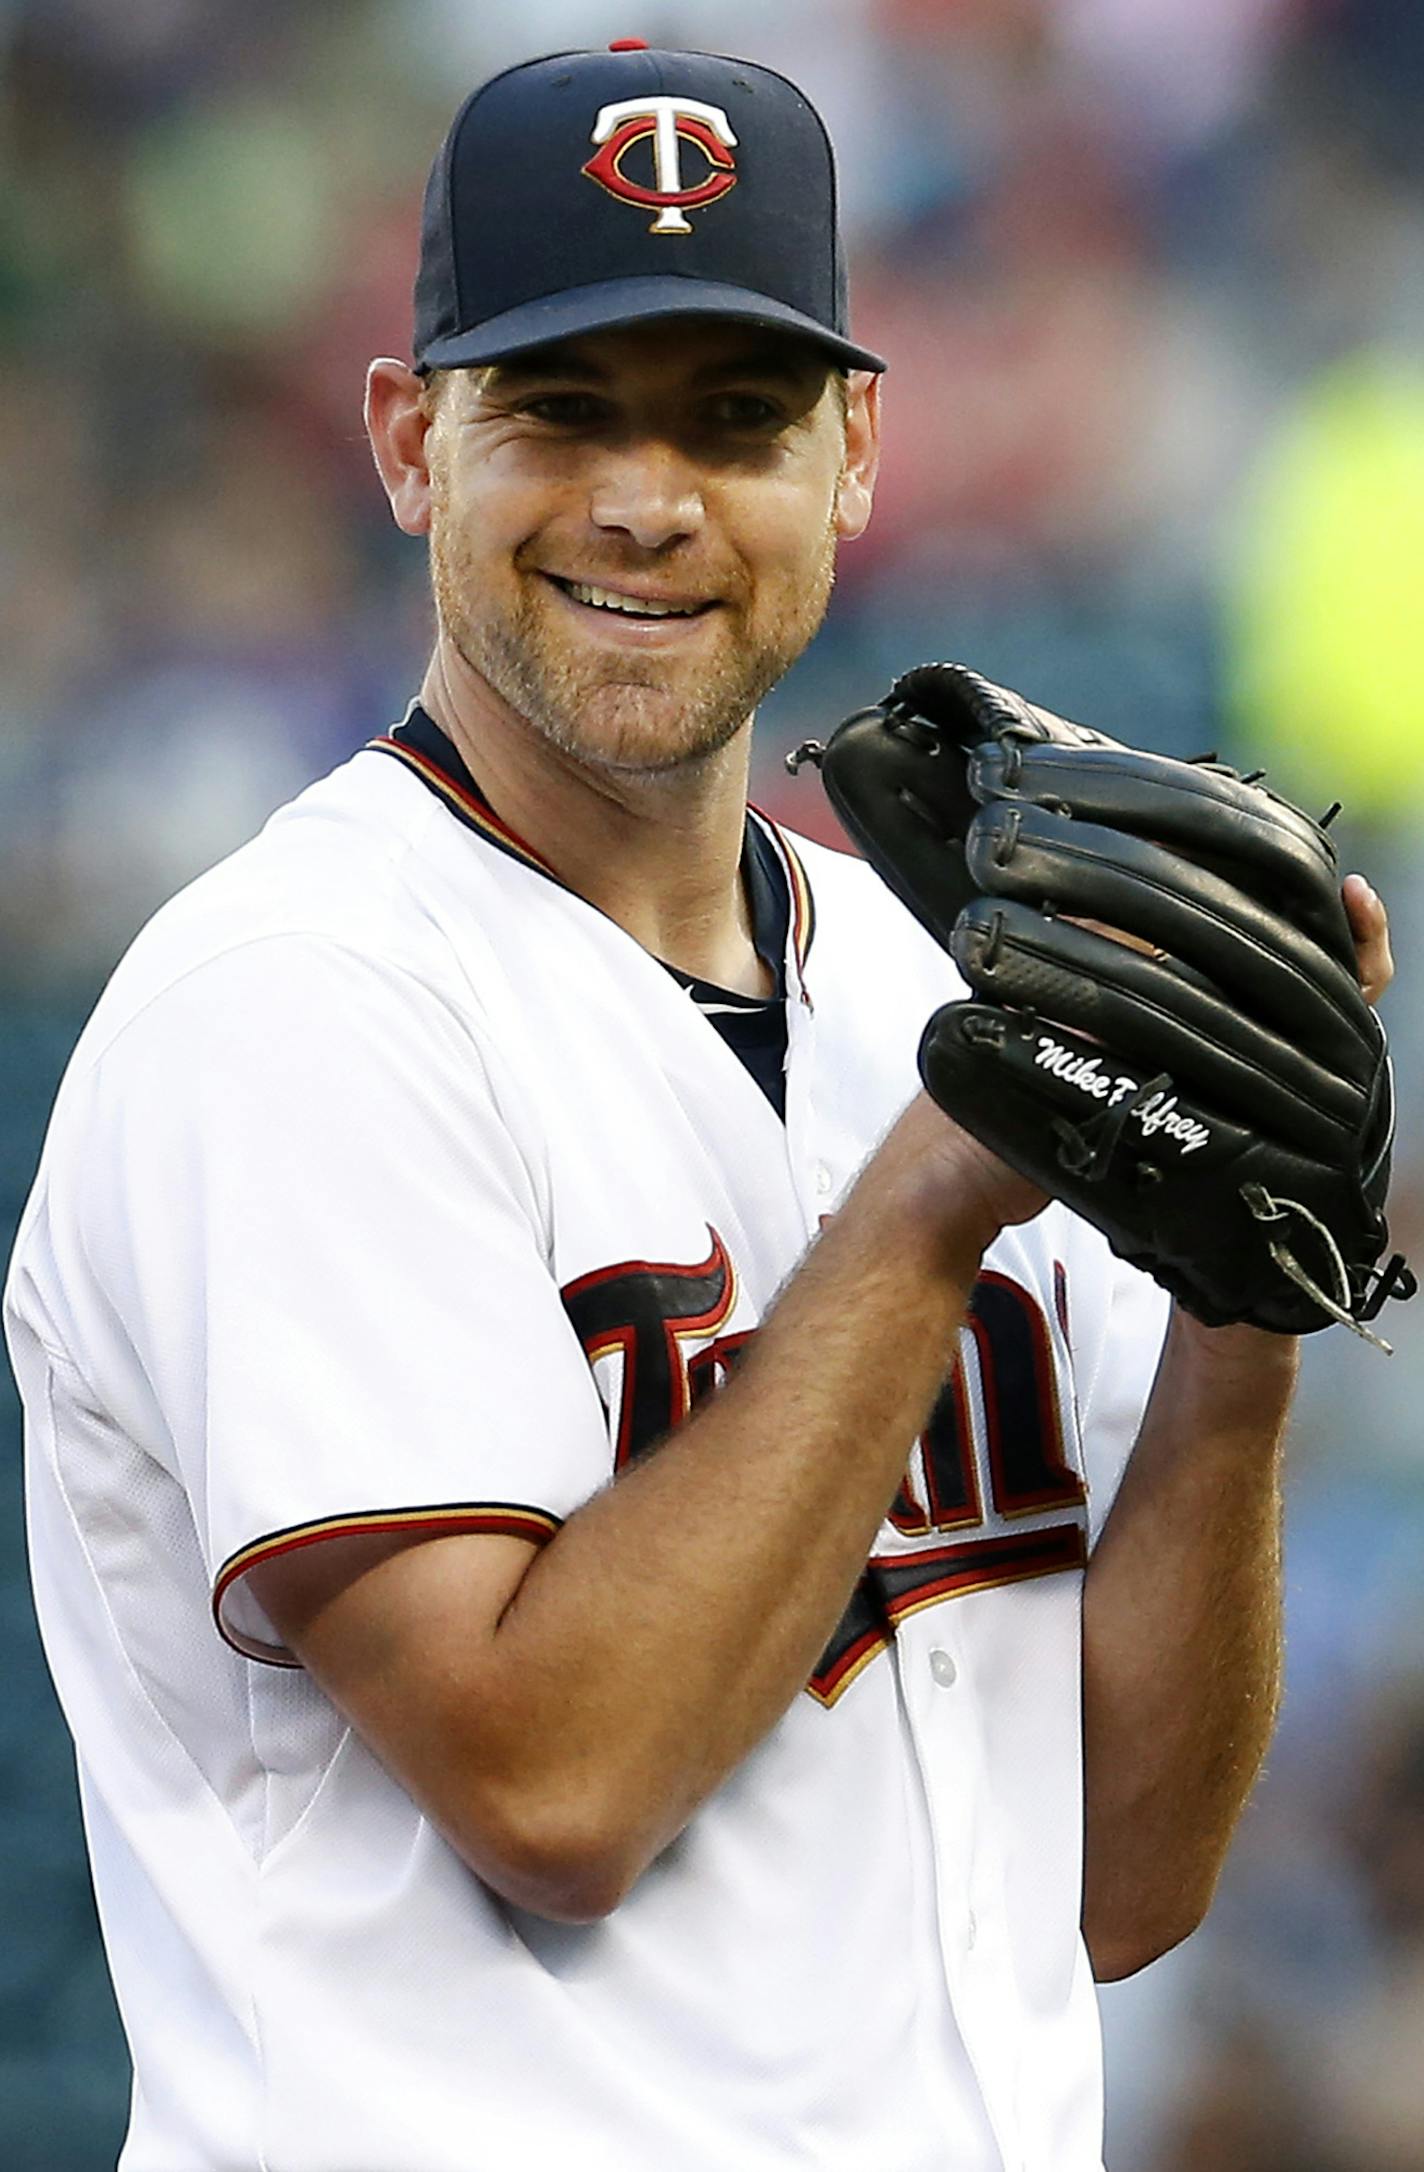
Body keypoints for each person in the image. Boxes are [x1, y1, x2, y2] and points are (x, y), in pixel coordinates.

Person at [3, 40, 1395, 2172]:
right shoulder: (283, 1007)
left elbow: (1119, 1886)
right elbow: (553, 1793)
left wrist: (1236, 1322)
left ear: (851, 456)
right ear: (406, 442)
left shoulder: (930, 991)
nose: (648, 498)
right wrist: (935, 1198)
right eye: (560, 410)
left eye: (733, 418)